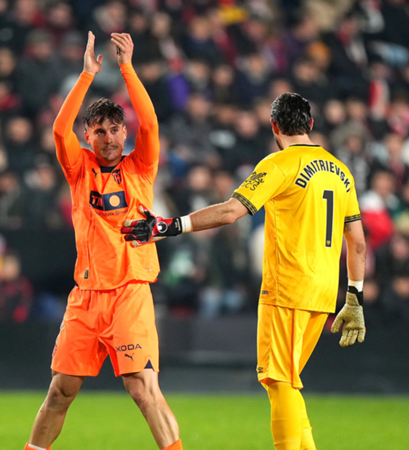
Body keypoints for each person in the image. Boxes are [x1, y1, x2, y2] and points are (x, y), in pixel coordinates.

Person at [123, 92, 367, 450]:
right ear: (311, 125)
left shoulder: (280, 164)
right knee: (288, 380)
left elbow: (230, 212)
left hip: (287, 287)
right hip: (325, 293)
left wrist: (167, 226)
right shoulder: (340, 171)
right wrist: (355, 296)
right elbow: (357, 242)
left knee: (278, 380)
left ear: (274, 127)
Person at [24, 32, 182, 450]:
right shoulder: (79, 171)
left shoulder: (141, 167)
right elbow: (60, 130)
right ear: (88, 137)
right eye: (99, 131)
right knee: (60, 391)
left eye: (115, 129)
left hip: (130, 292)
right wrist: (86, 76)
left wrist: (127, 68)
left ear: (124, 134)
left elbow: (150, 123)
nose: (109, 137)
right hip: (87, 297)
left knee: (143, 389)